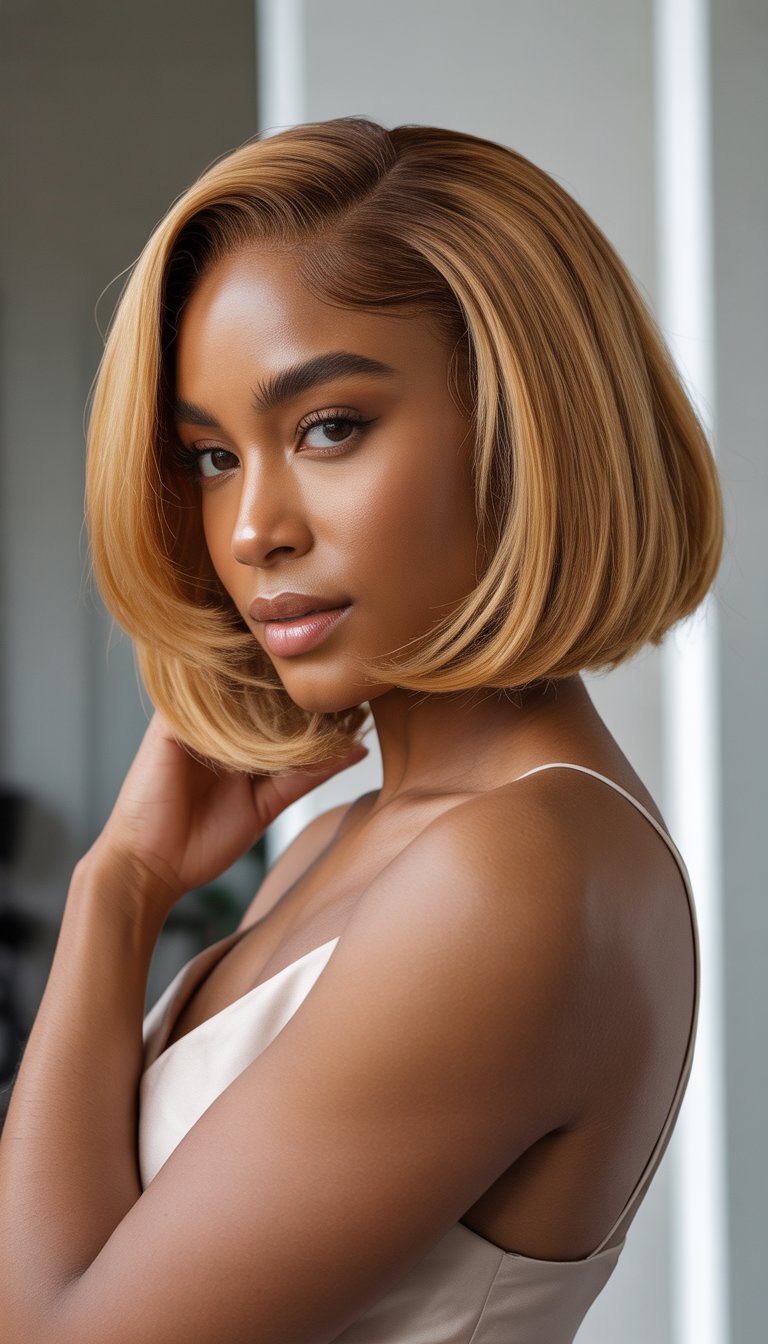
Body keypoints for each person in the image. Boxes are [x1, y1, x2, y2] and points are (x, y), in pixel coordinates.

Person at [0, 116, 722, 1343]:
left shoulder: (515, 874)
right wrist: (119, 882)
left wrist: (115, 896)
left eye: (328, 427)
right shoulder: (343, 839)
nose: (251, 529)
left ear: (522, 425)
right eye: (213, 455)